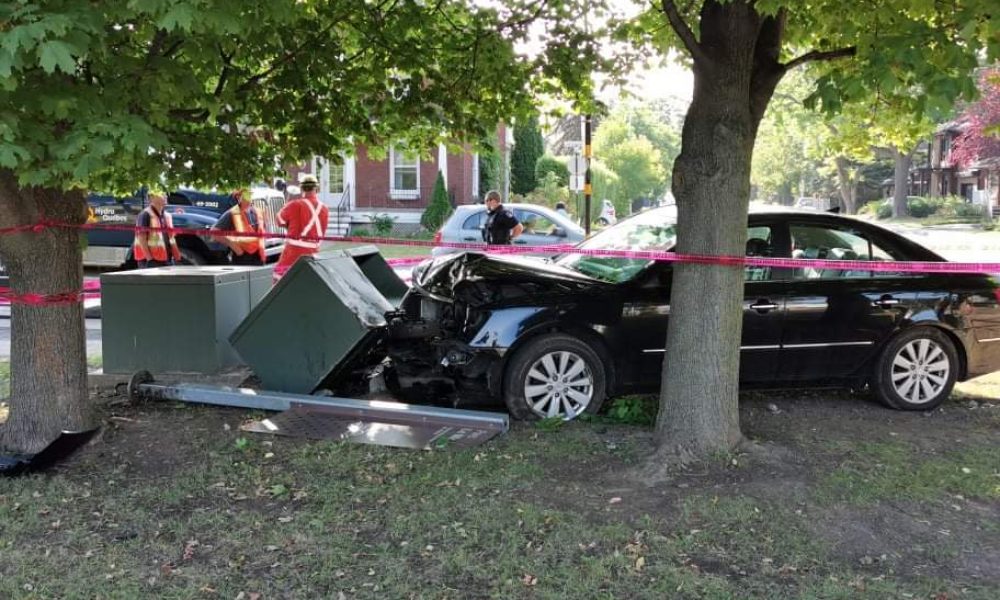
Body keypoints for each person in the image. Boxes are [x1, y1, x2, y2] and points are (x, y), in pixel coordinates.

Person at [273, 174, 329, 283]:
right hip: (313, 253)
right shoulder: (324, 209)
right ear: (316, 188)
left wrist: (285, 210)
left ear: (301, 188)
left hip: (292, 253)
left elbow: (279, 221)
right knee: (307, 283)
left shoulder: (294, 205)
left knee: (278, 282)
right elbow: (322, 231)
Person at [211, 188, 265, 266]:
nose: (249, 197)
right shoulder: (232, 213)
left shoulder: (257, 211)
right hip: (242, 258)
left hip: (258, 257)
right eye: (246, 195)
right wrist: (235, 247)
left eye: (250, 194)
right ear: (238, 197)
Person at [133, 190, 181, 268]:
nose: (165, 196)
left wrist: (175, 254)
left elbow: (171, 238)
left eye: (165, 194)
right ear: (151, 198)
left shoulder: (167, 216)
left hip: (166, 259)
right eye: (162, 194)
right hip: (150, 260)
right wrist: (149, 259)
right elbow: (142, 238)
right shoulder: (145, 214)